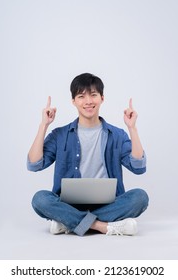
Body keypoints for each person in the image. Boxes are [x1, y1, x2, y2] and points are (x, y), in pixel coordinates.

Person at [27, 73, 149, 237]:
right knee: (40, 199)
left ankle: (68, 223)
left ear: (102, 98)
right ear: (73, 101)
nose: (88, 101)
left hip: (108, 204)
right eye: (81, 96)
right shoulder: (60, 134)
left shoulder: (117, 134)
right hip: (69, 205)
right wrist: (44, 125)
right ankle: (103, 226)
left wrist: (132, 128)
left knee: (140, 197)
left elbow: (138, 167)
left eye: (93, 95)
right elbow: (34, 164)